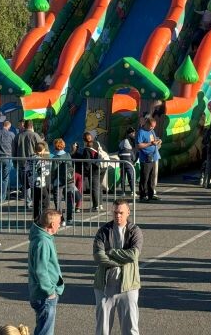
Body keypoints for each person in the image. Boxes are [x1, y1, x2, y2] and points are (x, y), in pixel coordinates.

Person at [93, 199, 143, 335]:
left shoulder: (135, 231)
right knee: (102, 330)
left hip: (128, 286)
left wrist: (111, 252)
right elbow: (98, 256)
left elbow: (133, 255)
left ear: (128, 213)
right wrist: (121, 261)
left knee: (131, 329)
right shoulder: (103, 231)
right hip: (105, 286)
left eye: (121, 212)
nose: (118, 215)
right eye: (115, 212)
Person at [28, 208, 64, 335]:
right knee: (45, 332)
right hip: (44, 295)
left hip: (43, 294)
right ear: (52, 224)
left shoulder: (43, 238)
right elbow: (41, 270)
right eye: (59, 222)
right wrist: (50, 291)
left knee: (43, 329)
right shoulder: (42, 242)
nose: (60, 225)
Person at [15, 120, 45, 209]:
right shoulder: (35, 135)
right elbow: (42, 147)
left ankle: (28, 202)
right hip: (34, 163)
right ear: (32, 126)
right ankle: (36, 202)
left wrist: (14, 162)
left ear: (24, 126)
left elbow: (14, 150)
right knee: (35, 184)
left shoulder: (18, 136)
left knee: (25, 185)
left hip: (21, 162)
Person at [51, 139, 76, 227]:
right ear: (63, 146)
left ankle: (61, 220)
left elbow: (53, 171)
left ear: (55, 146)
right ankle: (69, 218)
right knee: (69, 200)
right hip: (69, 181)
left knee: (57, 201)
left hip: (58, 182)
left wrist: (51, 181)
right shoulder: (68, 155)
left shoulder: (55, 158)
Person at [136, 118, 160, 203]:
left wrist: (158, 141)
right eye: (151, 126)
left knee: (152, 177)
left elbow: (153, 139)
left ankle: (151, 194)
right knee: (144, 178)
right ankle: (142, 196)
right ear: (147, 124)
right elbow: (139, 145)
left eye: (154, 127)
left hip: (154, 157)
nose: (152, 128)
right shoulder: (141, 132)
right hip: (146, 158)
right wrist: (151, 143)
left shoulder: (151, 131)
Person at [28, 142, 52, 224]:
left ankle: (36, 218)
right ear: (43, 150)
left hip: (32, 182)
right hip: (40, 182)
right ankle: (44, 219)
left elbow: (26, 169)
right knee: (46, 201)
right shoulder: (40, 160)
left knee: (36, 201)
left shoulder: (29, 158)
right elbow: (44, 172)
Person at [80, 132, 105, 212]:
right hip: (102, 167)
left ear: (84, 140)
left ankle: (96, 206)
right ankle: (100, 204)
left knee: (94, 188)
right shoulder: (97, 144)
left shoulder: (86, 149)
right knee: (99, 186)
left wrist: (85, 172)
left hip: (94, 170)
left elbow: (87, 163)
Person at [117, 127, 136, 196]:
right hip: (129, 165)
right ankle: (133, 191)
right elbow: (133, 158)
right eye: (133, 133)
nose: (134, 134)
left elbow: (119, 155)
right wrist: (133, 161)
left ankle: (123, 192)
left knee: (122, 179)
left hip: (122, 165)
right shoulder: (130, 150)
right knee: (131, 177)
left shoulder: (121, 148)